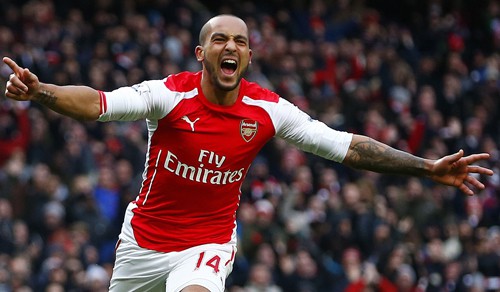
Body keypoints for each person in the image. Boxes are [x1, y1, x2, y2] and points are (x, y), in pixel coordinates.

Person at [2, 14, 494, 292]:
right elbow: (99, 104)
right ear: (202, 54)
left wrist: (427, 166)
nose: (230, 46)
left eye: (240, 41)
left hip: (208, 246)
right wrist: (42, 91)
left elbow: (346, 147)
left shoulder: (268, 111)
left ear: (249, 58)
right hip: (142, 243)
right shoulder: (169, 95)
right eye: (219, 39)